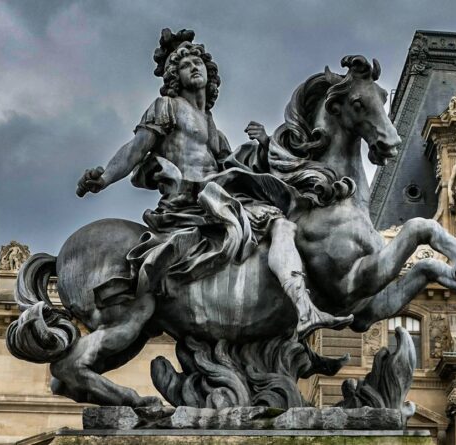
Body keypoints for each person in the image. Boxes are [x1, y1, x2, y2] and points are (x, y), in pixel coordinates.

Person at [76, 32, 350, 337]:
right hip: (189, 202)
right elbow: (135, 149)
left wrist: (263, 144)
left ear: (210, 74)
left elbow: (236, 169)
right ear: (174, 77)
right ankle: (304, 308)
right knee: (279, 223)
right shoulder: (166, 106)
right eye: (185, 65)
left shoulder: (212, 127)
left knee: (283, 222)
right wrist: (104, 177)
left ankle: (297, 305)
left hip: (217, 197)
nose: (194, 67)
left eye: (199, 62)